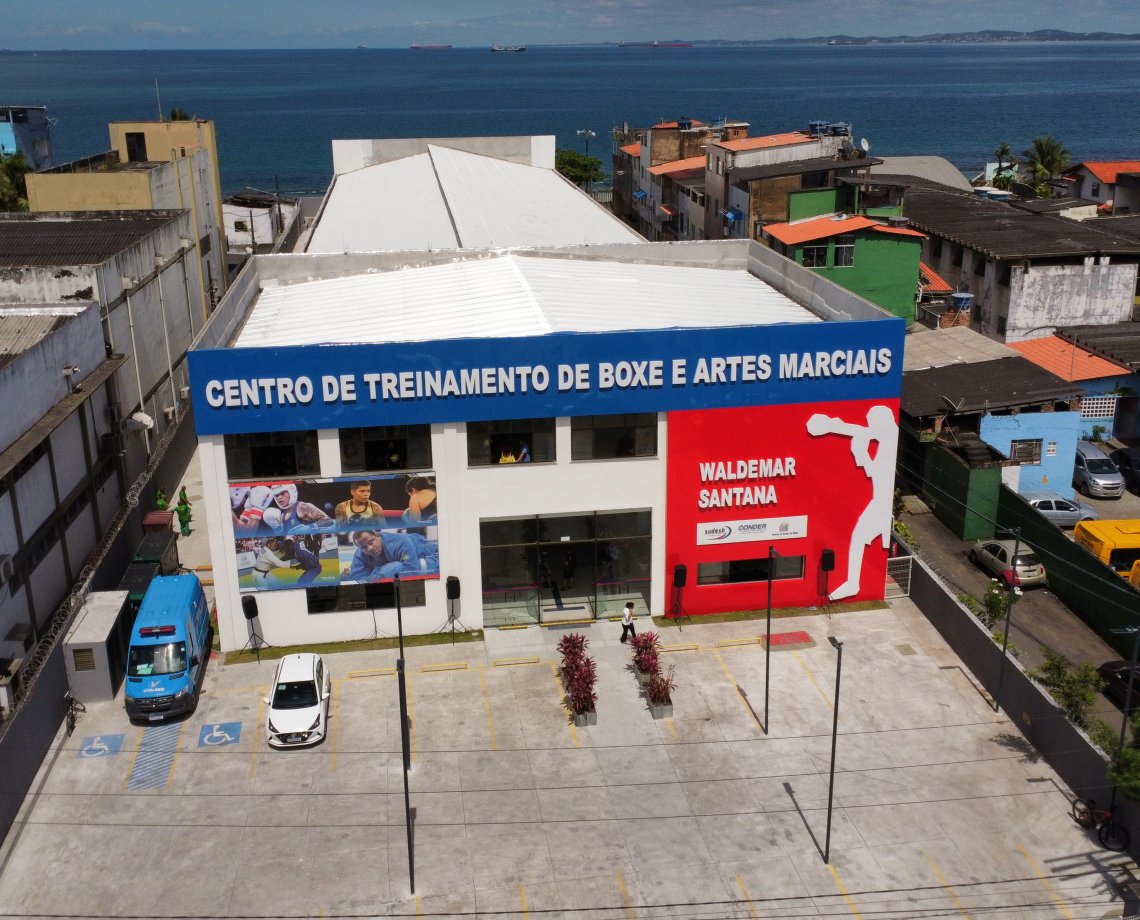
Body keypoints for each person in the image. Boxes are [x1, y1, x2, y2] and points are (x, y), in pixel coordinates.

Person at [806, 405, 898, 601]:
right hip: (880, 502)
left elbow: (875, 474)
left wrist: (861, 454)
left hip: (881, 504)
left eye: (872, 425)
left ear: (883, 423)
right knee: (857, 538)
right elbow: (863, 432)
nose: (870, 428)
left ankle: (853, 584)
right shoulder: (888, 437)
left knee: (857, 538)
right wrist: (834, 426)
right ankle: (853, 583)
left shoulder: (889, 441)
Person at [346, 529, 439, 582]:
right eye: (364, 547)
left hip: (422, 549)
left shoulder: (399, 542)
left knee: (422, 566)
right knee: (345, 576)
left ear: (378, 536)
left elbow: (411, 572)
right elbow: (357, 581)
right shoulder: (359, 554)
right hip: (390, 564)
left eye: (371, 542)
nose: (369, 548)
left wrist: (381, 577)